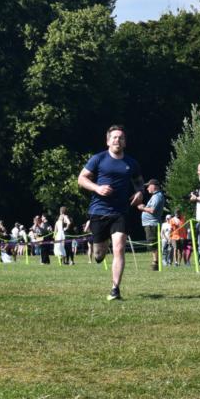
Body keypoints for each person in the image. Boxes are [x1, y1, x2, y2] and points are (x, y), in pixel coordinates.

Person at [78, 125, 144, 301]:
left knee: (119, 248)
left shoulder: (131, 163)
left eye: (121, 137)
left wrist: (139, 193)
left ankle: (115, 288)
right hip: (98, 210)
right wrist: (97, 188)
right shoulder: (98, 159)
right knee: (99, 254)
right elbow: (81, 179)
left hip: (120, 211)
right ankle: (100, 250)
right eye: (114, 137)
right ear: (108, 141)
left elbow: (139, 182)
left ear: (125, 142)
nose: (117, 140)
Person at [138, 179, 165, 270]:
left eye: (149, 186)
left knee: (153, 244)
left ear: (154, 186)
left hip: (152, 224)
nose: (147, 188)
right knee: (152, 244)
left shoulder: (157, 196)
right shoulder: (155, 196)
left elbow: (152, 210)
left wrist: (143, 208)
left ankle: (155, 263)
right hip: (150, 224)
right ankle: (155, 262)